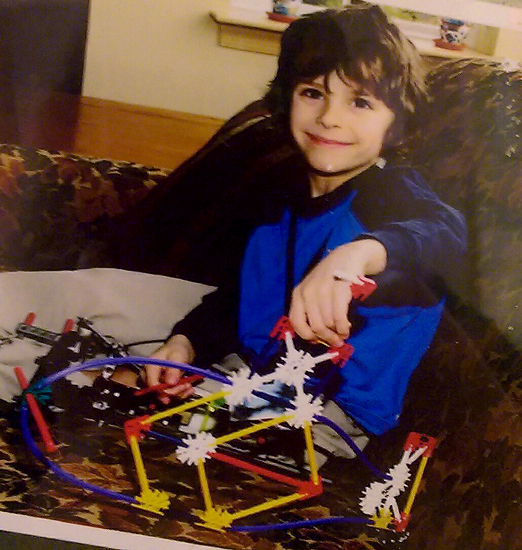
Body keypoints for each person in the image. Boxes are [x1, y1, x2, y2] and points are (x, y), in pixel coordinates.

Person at [144, 4, 467, 456]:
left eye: (360, 102)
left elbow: (447, 235)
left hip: (330, 414)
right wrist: (186, 341)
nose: (331, 118)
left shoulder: (388, 192)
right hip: (247, 375)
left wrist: (357, 255)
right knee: (124, 382)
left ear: (395, 122)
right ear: (286, 99)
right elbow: (240, 298)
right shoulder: (278, 195)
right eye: (313, 93)